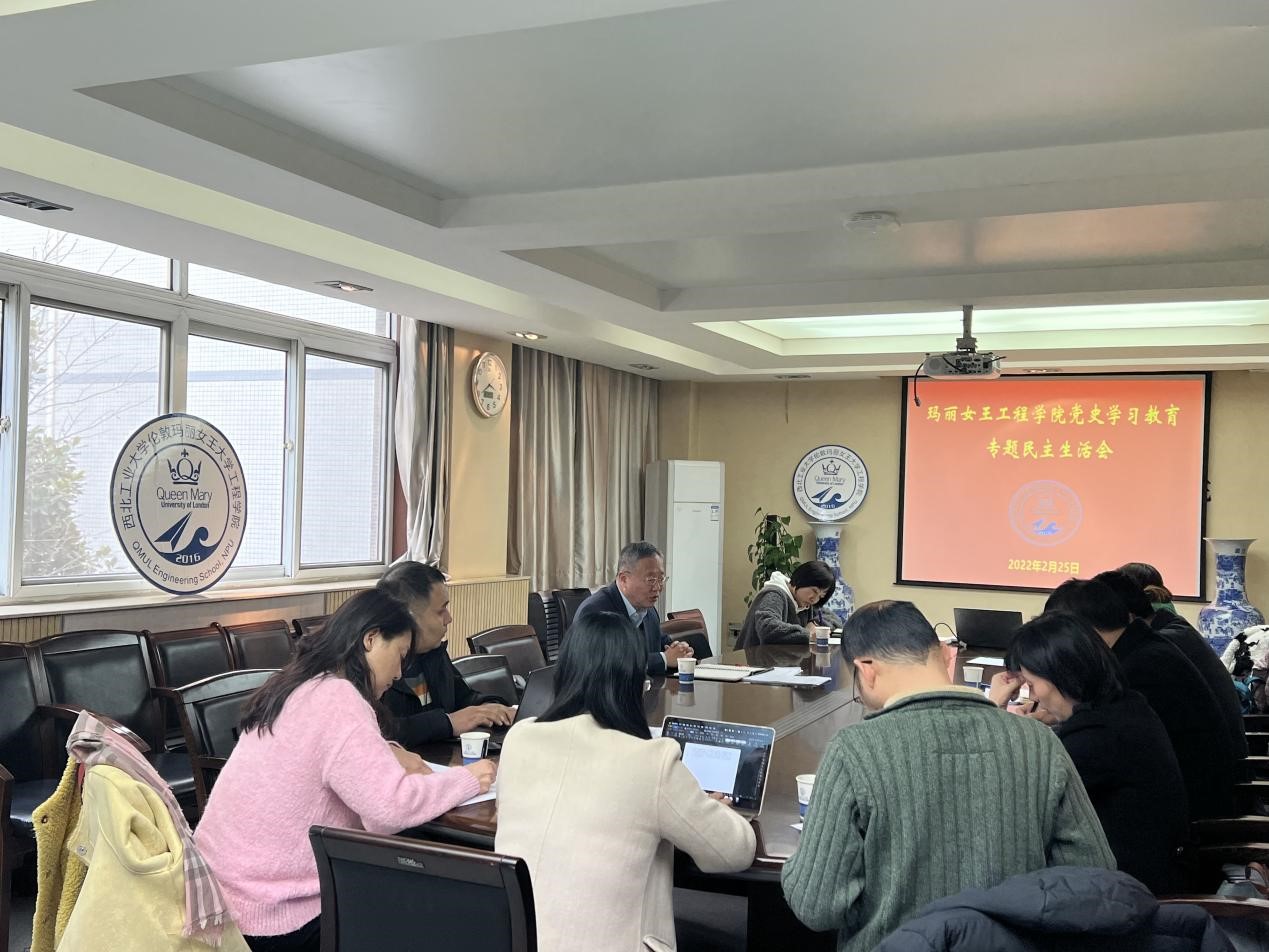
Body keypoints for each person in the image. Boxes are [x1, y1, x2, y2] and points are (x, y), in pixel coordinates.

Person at [782, 600, 1113, 952]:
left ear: (866, 670)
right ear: (943, 654)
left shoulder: (854, 749)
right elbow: (1094, 875)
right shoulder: (1039, 742)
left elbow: (816, 907)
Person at [195, 589, 496, 951]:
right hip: (273, 916)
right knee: (437, 909)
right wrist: (468, 779)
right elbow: (388, 811)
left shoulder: (299, 684)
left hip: (218, 899)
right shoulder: (338, 698)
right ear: (371, 639)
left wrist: (385, 751)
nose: (399, 673)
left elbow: (320, 756)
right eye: (399, 656)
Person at [495, 612, 756, 952]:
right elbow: (733, 852)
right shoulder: (650, 760)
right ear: (634, 681)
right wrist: (709, 809)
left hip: (516, 940)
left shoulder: (520, 738)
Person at [989, 611, 1188, 894]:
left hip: (1128, 895)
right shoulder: (1126, 706)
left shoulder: (1096, 738)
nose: (1032, 697)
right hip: (1148, 875)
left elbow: (1010, 792)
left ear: (1062, 674)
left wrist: (995, 710)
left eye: (1031, 685)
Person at [1046, 578, 1238, 819]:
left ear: (1081, 633)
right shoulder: (1144, 649)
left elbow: (1094, 744)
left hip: (1194, 814)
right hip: (1186, 800)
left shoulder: (1138, 667)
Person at [1093, 569, 1248, 769]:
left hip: (1211, 773)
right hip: (1219, 765)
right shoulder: (1174, 631)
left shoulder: (1154, 648)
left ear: (1125, 616)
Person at [378, 561, 517, 746]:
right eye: (440, 611)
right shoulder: (375, 668)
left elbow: (462, 697)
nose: (449, 618)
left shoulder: (434, 652)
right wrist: (447, 723)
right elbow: (382, 732)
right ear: (409, 617)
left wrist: (488, 707)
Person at [573, 540, 692, 675]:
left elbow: (662, 643)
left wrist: (680, 650)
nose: (658, 587)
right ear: (624, 579)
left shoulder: (649, 611)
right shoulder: (595, 611)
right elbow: (605, 664)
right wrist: (664, 659)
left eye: (661, 579)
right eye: (651, 580)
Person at [735, 559, 836, 648]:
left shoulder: (805, 602)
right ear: (802, 580)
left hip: (780, 660)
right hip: (753, 660)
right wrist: (808, 634)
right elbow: (767, 628)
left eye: (821, 596)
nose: (815, 599)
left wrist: (815, 623)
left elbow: (833, 618)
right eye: (814, 591)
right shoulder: (774, 595)